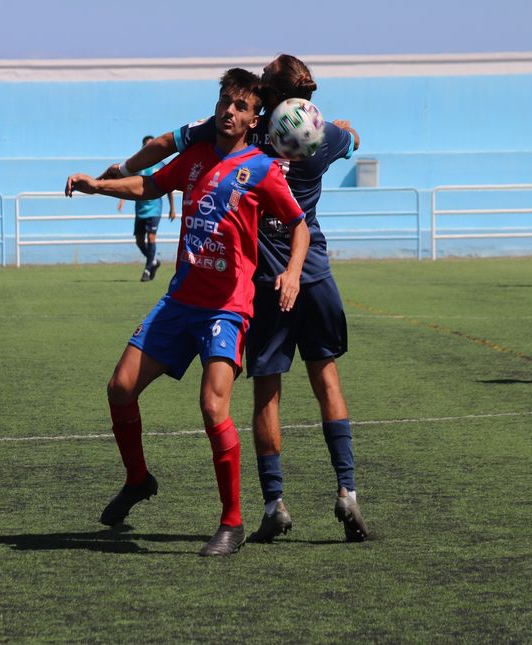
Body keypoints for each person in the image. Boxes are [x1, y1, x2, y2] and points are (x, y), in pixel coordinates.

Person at [100, 53, 370, 543]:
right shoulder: (322, 134)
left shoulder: (247, 137)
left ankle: (273, 504)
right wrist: (347, 132)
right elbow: (353, 140)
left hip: (267, 282)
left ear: (263, 97)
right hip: (314, 276)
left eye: (260, 81)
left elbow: (165, 144)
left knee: (266, 390)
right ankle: (347, 489)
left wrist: (121, 167)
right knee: (326, 378)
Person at [66, 68, 309, 556]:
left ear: (253, 118)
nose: (228, 111)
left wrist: (294, 272)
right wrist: (99, 185)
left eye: (240, 106)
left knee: (212, 406)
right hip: (180, 302)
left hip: (227, 308)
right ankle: (138, 480)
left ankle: (232, 523)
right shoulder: (194, 157)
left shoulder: (261, 168)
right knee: (119, 389)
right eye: (224, 101)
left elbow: (298, 224)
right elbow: (149, 186)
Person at [116, 135, 177, 281]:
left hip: (155, 207)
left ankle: (148, 270)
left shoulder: (161, 165)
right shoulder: (137, 165)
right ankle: (153, 261)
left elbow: (168, 187)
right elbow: (128, 183)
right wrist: (122, 199)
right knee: (139, 241)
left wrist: (172, 208)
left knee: (151, 237)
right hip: (140, 207)